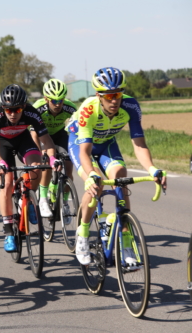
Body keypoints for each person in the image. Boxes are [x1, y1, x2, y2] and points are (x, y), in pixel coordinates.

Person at [67, 67, 167, 265]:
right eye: (109, 96)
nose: (115, 100)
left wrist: (152, 170)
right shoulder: (89, 109)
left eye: (118, 95)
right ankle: (83, 234)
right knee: (95, 183)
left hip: (107, 143)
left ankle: (126, 241)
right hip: (80, 145)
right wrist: (91, 175)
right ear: (98, 95)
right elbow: (85, 153)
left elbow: (139, 145)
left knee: (120, 175)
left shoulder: (131, 106)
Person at [0, 84, 60, 253]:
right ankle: (8, 231)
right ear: (3, 108)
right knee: (6, 183)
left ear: (24, 107)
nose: (13, 114)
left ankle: (26, 199)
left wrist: (52, 158)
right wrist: (0, 163)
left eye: (17, 109)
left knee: (36, 168)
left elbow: (47, 141)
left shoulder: (31, 112)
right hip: (4, 146)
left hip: (23, 140)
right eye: (9, 110)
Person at [31, 79, 77, 218]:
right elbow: (34, 134)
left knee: (68, 168)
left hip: (59, 134)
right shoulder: (38, 108)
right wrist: (39, 153)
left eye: (60, 101)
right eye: (54, 101)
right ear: (46, 99)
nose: (58, 104)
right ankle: (43, 199)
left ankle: (65, 203)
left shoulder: (70, 108)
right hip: (42, 135)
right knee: (46, 164)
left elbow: (78, 131)